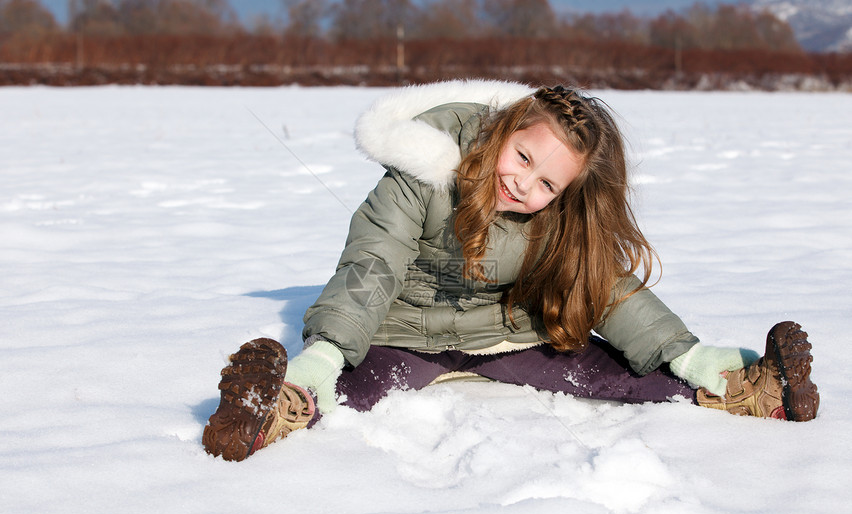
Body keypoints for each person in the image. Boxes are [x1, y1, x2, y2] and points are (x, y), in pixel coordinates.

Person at [202, 80, 820, 462]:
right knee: (351, 391)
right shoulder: (424, 175)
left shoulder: (558, 215)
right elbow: (373, 262)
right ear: (505, 128)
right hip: (404, 336)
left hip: (508, 339)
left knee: (617, 374)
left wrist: (683, 352)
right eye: (522, 156)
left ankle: (744, 391)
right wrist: (329, 350)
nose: (522, 183)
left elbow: (603, 285)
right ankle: (277, 408)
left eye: (547, 181)